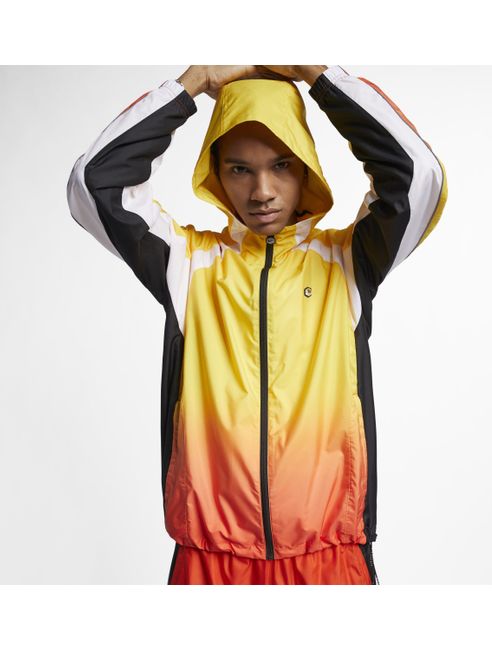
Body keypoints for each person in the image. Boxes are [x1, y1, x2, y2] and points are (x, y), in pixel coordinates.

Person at [66, 64, 448, 585]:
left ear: (307, 169)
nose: (262, 190)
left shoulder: (349, 261)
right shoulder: (187, 265)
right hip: (210, 560)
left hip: (328, 559)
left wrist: (317, 75)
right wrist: (193, 84)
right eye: (240, 169)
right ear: (216, 175)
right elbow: (95, 183)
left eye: (281, 165)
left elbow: (418, 175)